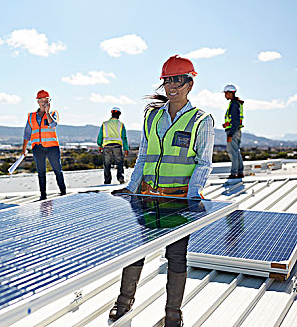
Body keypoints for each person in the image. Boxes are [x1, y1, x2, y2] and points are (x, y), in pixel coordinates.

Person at [110, 55, 214, 326]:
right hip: (146, 196)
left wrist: (194, 195)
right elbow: (143, 156)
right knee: (136, 250)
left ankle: (173, 313)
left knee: (176, 256)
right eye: (168, 80)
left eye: (178, 80)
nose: (172, 86)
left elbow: (203, 163)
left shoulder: (201, 120)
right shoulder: (152, 115)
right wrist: (132, 188)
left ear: (190, 83)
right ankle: (124, 301)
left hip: (178, 200)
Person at [21, 89, 66, 200]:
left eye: (45, 100)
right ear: (38, 101)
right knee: (41, 172)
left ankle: (63, 192)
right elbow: (27, 133)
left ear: (48, 101)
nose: (43, 102)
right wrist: (23, 149)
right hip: (38, 148)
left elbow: (53, 125)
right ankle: (43, 195)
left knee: (57, 170)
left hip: (52, 147)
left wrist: (47, 113)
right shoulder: (31, 116)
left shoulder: (53, 113)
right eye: (41, 100)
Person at [97, 106, 130, 184]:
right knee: (119, 164)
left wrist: (100, 145)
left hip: (107, 147)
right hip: (117, 147)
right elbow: (124, 137)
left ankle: (107, 181)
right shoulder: (121, 124)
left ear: (111, 114)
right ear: (119, 114)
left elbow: (100, 136)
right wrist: (126, 148)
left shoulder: (104, 124)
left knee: (107, 164)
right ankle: (120, 178)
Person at [223, 84, 244, 179]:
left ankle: (234, 173)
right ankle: (239, 172)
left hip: (233, 132)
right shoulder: (235, 103)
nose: (225, 95)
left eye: (226, 93)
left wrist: (230, 134)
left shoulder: (234, 105)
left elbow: (235, 121)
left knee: (233, 153)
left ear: (231, 93)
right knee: (236, 151)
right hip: (236, 131)